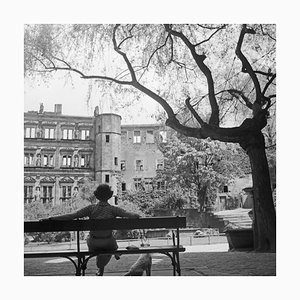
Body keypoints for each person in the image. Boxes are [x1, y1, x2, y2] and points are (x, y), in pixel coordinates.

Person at [41, 184, 140, 276]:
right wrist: (136, 215)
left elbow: (72, 216)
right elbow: (132, 215)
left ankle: (103, 265)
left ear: (96, 196)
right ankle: (115, 254)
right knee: (112, 245)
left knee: (96, 244)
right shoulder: (114, 210)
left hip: (94, 243)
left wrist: (51, 218)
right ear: (109, 196)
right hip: (109, 243)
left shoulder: (91, 209)